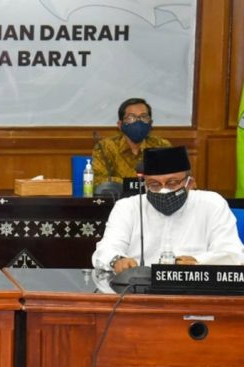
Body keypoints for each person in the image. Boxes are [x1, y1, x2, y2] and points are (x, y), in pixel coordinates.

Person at [92, 146, 242, 273]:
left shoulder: (212, 204)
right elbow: (105, 250)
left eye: (172, 183)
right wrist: (117, 260)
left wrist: (198, 261)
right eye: (154, 184)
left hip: (195, 288)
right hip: (139, 289)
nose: (163, 190)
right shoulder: (127, 207)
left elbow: (233, 254)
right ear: (145, 185)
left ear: (190, 183)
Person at [92, 97, 171, 187]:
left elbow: (172, 179)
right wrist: (134, 184)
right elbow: (97, 181)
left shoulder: (162, 146)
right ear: (120, 125)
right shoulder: (105, 147)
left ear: (150, 123)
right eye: (131, 118)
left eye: (143, 117)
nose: (138, 122)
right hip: (118, 196)